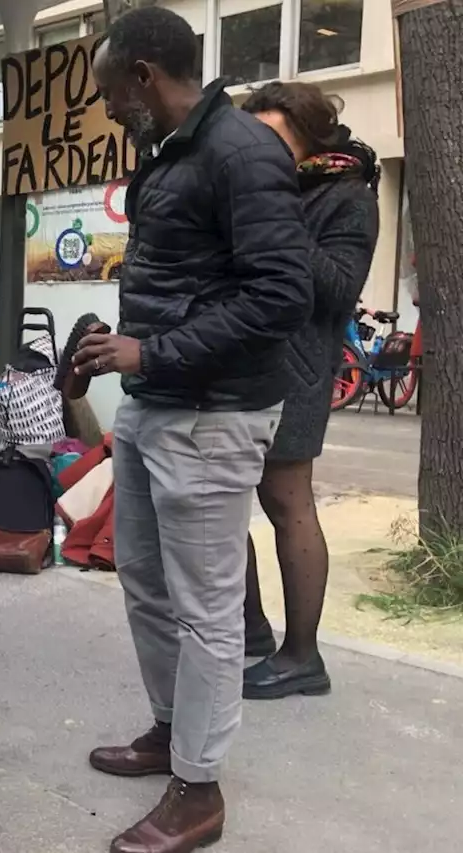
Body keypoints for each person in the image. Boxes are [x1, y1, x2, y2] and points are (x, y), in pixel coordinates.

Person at [75, 9, 312, 853]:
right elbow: (185, 278)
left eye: (107, 89)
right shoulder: (170, 150)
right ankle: (173, 733)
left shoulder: (242, 152)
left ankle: (199, 789)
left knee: (208, 611)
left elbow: (283, 294)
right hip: (156, 399)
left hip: (214, 415)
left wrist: (155, 348)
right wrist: (118, 348)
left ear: (143, 75)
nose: (105, 109)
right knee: (142, 576)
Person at [239, 82, 380, 700]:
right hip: (232, 363)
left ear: (310, 137)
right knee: (219, 503)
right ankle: (247, 632)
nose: (261, 151)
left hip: (295, 370)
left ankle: (302, 656)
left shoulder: (348, 197)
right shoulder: (253, 189)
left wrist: (278, 214)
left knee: (286, 502)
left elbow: (336, 291)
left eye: (275, 139)